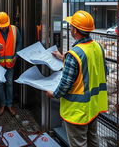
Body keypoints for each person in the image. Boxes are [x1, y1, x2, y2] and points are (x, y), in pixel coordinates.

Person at [45, 10, 108, 147]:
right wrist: (64, 58)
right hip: (93, 106)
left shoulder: (75, 54)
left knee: (79, 144)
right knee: (92, 140)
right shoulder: (98, 47)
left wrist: (53, 94)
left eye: (71, 26)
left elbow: (65, 84)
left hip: (77, 111)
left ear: (74, 30)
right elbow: (101, 70)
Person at [0, 11, 22, 116]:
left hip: (11, 63)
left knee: (9, 83)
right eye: (2, 26)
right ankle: (2, 104)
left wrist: (16, 56)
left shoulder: (15, 30)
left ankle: (9, 104)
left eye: (5, 26)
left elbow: (20, 42)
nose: (4, 28)